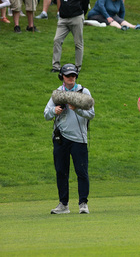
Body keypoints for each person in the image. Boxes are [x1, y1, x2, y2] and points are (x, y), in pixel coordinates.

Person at [43, 64, 95, 214]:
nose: (71, 78)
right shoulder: (58, 93)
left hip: (79, 139)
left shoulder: (83, 91)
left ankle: (83, 203)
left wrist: (77, 109)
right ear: (62, 77)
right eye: (68, 76)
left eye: (73, 75)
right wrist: (55, 110)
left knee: (81, 171)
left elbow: (91, 114)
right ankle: (63, 204)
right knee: (61, 171)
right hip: (61, 138)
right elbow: (46, 114)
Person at [52, 0, 89, 72]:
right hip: (63, 18)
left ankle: (78, 67)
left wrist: (81, 13)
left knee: (78, 43)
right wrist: (60, 11)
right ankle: (55, 66)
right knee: (57, 40)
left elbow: (85, 1)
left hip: (76, 17)